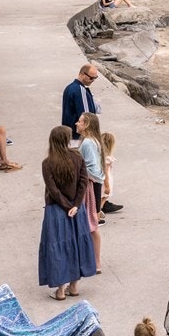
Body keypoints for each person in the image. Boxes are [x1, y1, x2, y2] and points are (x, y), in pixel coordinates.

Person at [38, 125, 96, 300]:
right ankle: (74, 286)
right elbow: (83, 182)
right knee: (77, 244)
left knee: (58, 247)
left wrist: (65, 206)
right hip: (76, 209)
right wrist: (76, 205)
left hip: (56, 211)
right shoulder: (77, 157)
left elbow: (53, 190)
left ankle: (60, 290)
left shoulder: (47, 163)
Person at [76, 113, 106, 269]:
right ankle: (94, 261)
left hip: (90, 186)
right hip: (95, 184)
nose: (76, 123)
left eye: (80, 121)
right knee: (91, 224)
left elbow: (92, 169)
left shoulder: (88, 142)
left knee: (91, 224)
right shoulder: (92, 141)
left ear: (86, 124)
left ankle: (96, 262)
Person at [61, 65, 101, 138]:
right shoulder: (81, 91)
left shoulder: (69, 87)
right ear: (82, 74)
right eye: (91, 78)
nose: (93, 80)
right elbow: (87, 118)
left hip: (68, 134)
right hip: (77, 136)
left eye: (95, 78)